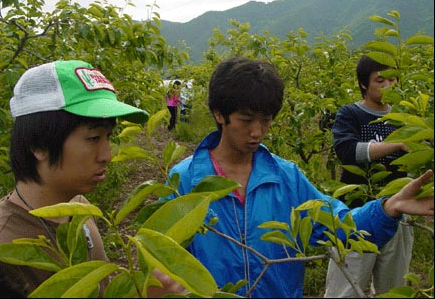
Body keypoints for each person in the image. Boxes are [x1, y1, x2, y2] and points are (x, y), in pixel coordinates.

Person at [163, 56, 433, 298]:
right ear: (219, 114)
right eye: (246, 121)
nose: (257, 132)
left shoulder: (285, 177)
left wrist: (389, 208)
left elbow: (338, 224)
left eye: (266, 121)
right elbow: (164, 258)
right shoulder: (186, 181)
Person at [0, 60, 183, 297]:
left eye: (108, 136)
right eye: (93, 138)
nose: (107, 155)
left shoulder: (78, 207)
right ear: (37, 145)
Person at [324, 54, 414, 298]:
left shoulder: (403, 118)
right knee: (344, 290)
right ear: (364, 84)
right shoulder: (350, 114)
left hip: (396, 213)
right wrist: (396, 144)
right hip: (355, 215)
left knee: (393, 289)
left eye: (392, 80)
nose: (387, 86)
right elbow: (347, 152)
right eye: (380, 81)